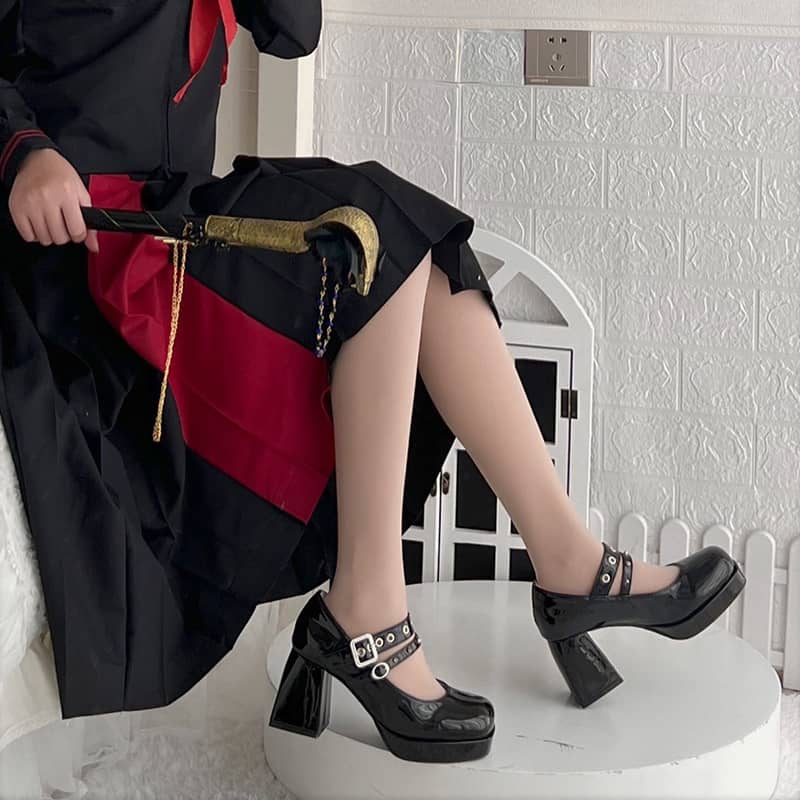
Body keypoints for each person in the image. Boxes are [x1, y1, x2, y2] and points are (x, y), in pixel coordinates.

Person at [0, 0, 744, 766]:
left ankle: (565, 560)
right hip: (73, 249)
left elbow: (293, 31)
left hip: (171, 222)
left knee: (419, 246)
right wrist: (22, 151)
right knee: (369, 235)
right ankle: (369, 609)